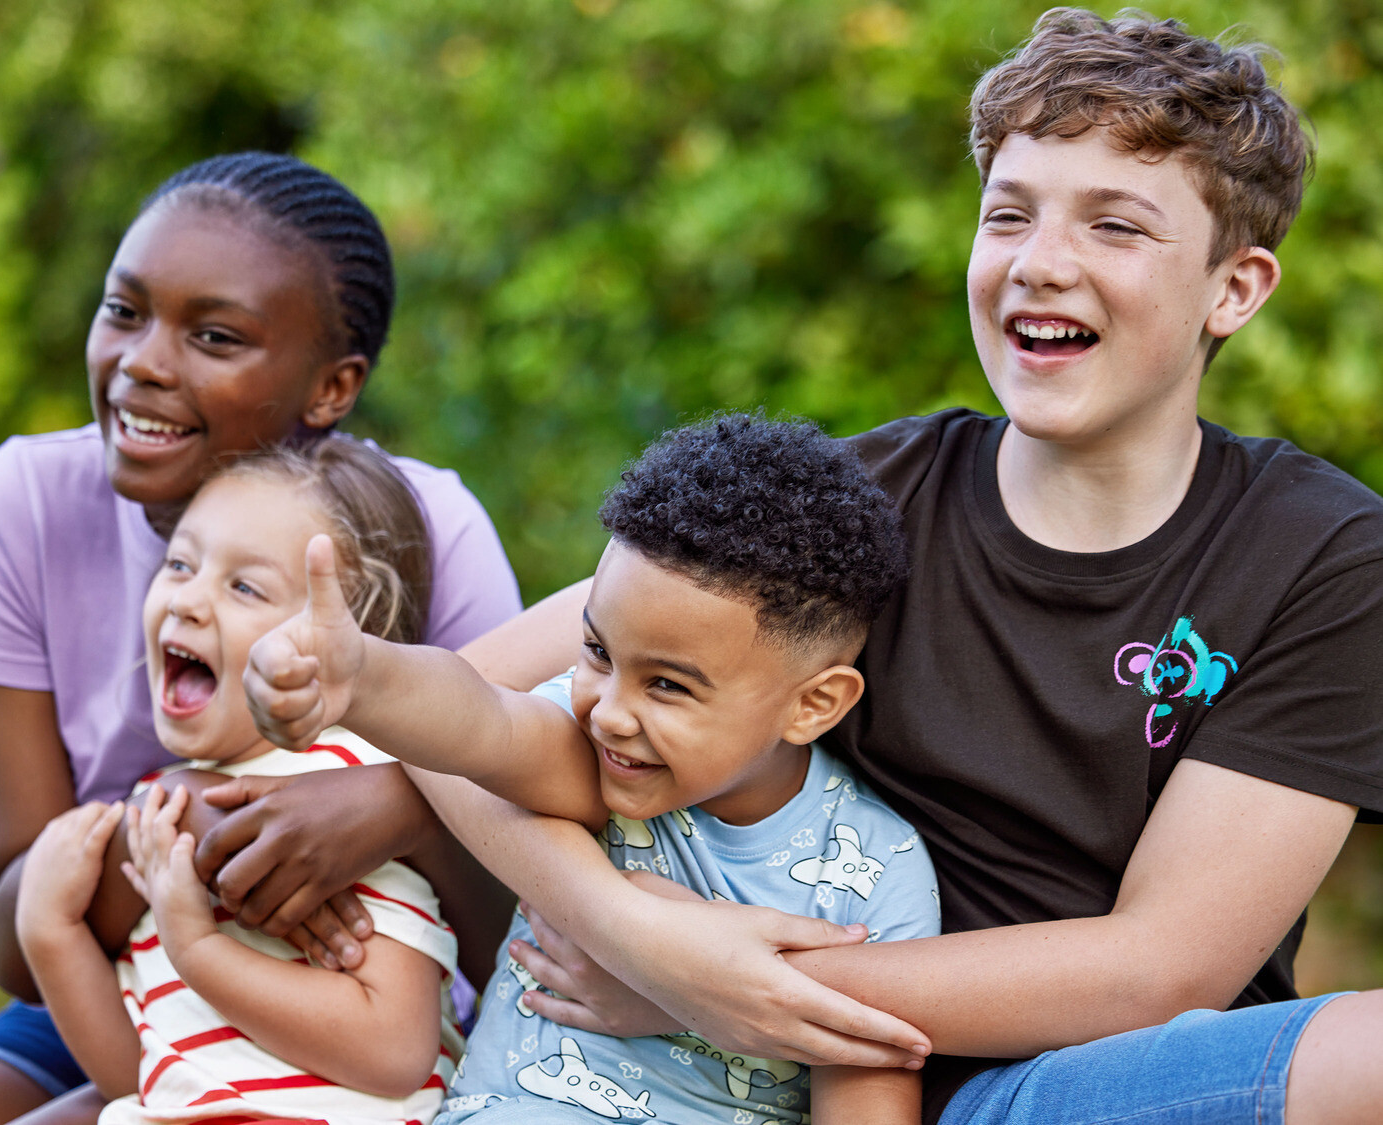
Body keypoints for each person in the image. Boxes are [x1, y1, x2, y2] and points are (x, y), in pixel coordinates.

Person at [301, 10, 1383, 1125]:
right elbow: (469, 707)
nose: (1041, 263)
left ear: (1234, 287)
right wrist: (647, 940)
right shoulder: (860, 500)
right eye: (1008, 214)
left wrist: (727, 990)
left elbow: (1159, 968)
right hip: (824, 1086)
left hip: (1096, 1080)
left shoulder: (1322, 555)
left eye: (1116, 226)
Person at [0, 151, 521, 1125]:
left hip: (358, 1012)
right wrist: (192, 815)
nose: (143, 362)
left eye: (215, 335)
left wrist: (397, 812)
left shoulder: (424, 531)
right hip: (117, 986)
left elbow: (517, 914)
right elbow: (14, 935)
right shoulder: (19, 506)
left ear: (333, 386)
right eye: (124, 310)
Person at [244, 414, 939, 1124]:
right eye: (598, 652)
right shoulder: (593, 761)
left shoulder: (876, 871)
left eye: (667, 684)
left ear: (813, 704)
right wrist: (364, 675)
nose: (608, 711)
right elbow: (479, 718)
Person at [17, 441, 463, 1125]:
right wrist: (50, 932)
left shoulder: (342, 792)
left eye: (244, 587)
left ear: (347, 637)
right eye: (179, 564)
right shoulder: (160, 809)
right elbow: (147, 1077)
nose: (188, 600)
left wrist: (200, 951)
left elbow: (396, 1048)